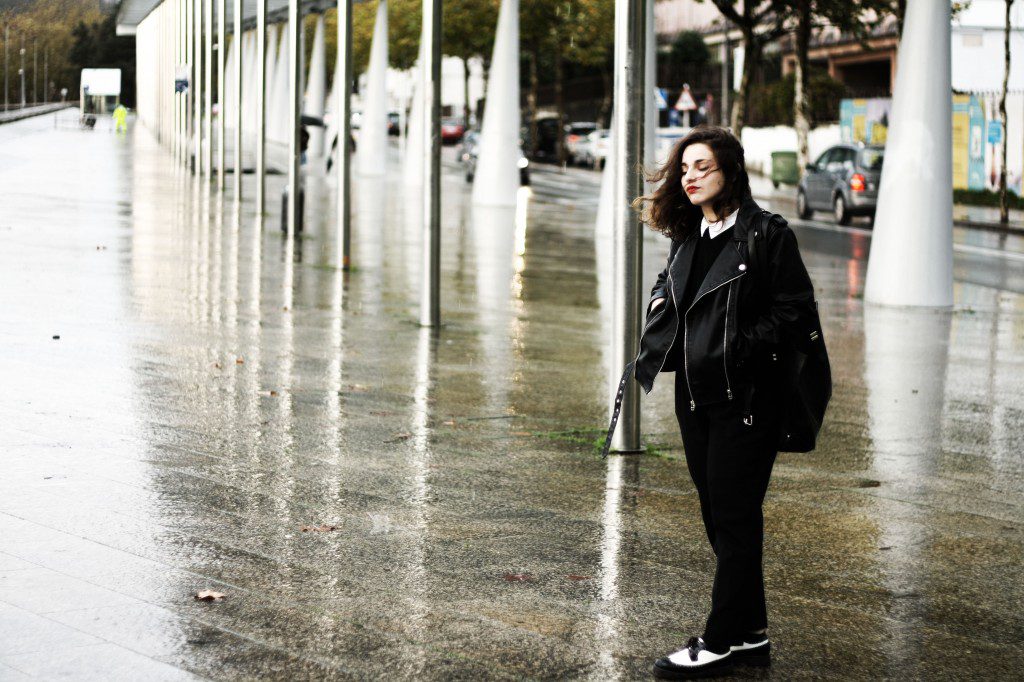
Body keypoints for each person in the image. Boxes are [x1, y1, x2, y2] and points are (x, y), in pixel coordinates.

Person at [631, 126, 818, 679]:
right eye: (685, 167)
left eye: (702, 166)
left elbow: (795, 313)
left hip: (747, 398)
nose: (689, 177)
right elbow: (671, 286)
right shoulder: (689, 233)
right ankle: (751, 630)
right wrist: (660, 301)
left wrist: (738, 344)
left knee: (734, 517)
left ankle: (717, 640)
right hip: (695, 395)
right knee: (717, 513)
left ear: (730, 171)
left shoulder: (766, 235)